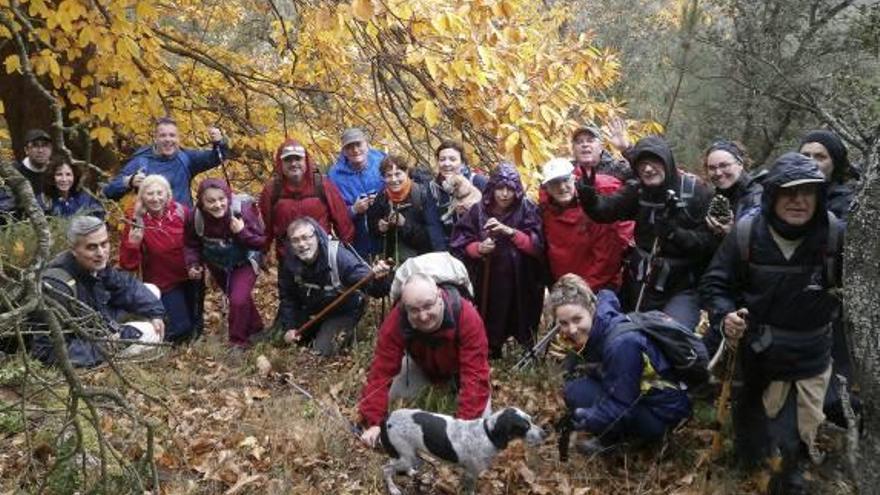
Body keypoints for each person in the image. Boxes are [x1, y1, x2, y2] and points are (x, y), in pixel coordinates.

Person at [700, 153, 843, 494]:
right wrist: (725, 317)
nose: (798, 200)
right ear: (773, 195)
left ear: (819, 196)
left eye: (808, 192)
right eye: (789, 192)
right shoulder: (747, 233)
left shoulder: (836, 236)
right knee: (751, 450)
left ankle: (791, 471)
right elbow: (714, 285)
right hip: (754, 357)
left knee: (788, 453)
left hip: (808, 359)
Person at [576, 135, 715, 331]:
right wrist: (588, 195)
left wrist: (674, 234)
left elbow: (710, 244)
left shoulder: (697, 193)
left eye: (654, 162)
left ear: (666, 161)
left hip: (681, 287)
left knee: (671, 335)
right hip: (640, 282)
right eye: (642, 165)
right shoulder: (637, 191)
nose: (648, 169)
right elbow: (605, 211)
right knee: (626, 333)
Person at [548, 274, 691, 455]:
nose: (572, 330)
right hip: (645, 395)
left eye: (577, 319)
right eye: (564, 323)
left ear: (591, 309)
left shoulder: (621, 344)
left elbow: (621, 407)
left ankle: (627, 441)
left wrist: (582, 418)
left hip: (662, 413)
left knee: (576, 394)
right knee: (577, 388)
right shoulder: (604, 317)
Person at [358, 273, 491, 448]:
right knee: (392, 399)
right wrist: (374, 423)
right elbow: (380, 372)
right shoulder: (396, 320)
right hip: (422, 367)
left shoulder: (466, 316)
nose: (423, 316)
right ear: (405, 307)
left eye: (428, 306)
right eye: (414, 310)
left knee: (480, 429)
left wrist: (460, 430)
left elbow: (475, 377)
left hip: (459, 372)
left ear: (439, 297)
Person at [32, 216, 166, 367]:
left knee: (152, 291)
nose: (101, 253)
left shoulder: (95, 265)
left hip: (98, 322)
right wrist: (104, 347)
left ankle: (126, 341)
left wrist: (156, 313)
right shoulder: (58, 286)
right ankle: (110, 362)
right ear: (74, 250)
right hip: (84, 342)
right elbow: (45, 351)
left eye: (104, 244)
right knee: (150, 333)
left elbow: (126, 285)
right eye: (91, 247)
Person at [450, 163, 545, 358]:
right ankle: (490, 346)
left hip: (520, 278)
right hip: (487, 278)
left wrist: (511, 233)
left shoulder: (527, 209)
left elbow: (536, 246)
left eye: (510, 189)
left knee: (520, 314)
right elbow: (461, 242)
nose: (504, 194)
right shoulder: (478, 211)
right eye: (500, 188)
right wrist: (478, 248)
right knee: (491, 314)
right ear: (492, 188)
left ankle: (523, 347)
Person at [277, 218, 391, 355]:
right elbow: (288, 297)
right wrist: (290, 327)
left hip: (344, 310)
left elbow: (375, 289)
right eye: (295, 240)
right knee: (281, 337)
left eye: (306, 238)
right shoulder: (289, 263)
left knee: (321, 351)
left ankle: (347, 332)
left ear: (317, 237)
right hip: (312, 309)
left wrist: (379, 279)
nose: (302, 244)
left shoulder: (340, 257)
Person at [184, 179, 265, 350]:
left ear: (228, 197)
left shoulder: (242, 211)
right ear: (202, 202)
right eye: (210, 201)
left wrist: (242, 232)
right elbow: (192, 244)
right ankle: (257, 329)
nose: (217, 205)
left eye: (221, 199)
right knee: (238, 298)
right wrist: (193, 263)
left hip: (245, 261)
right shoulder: (195, 217)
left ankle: (238, 342)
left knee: (237, 299)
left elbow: (261, 243)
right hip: (217, 265)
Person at [119, 175, 201, 342]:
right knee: (181, 328)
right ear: (142, 197)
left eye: (159, 193)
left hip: (190, 276)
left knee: (196, 325)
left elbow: (196, 242)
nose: (155, 198)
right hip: (164, 283)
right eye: (149, 194)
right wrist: (133, 244)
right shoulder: (136, 221)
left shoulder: (181, 211)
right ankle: (155, 339)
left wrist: (198, 264)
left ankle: (191, 337)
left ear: (167, 194)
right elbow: (127, 264)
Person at [539, 157, 633, 290]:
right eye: (555, 183)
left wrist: (585, 289)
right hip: (563, 289)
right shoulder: (544, 213)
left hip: (597, 288)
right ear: (547, 188)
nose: (561, 187)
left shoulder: (592, 209)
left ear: (574, 180)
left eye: (565, 180)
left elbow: (606, 257)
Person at [259, 139, 354, 261]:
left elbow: (342, 221)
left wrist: (347, 251)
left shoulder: (323, 185)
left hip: (323, 256)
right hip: (288, 258)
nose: (293, 164)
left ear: (306, 161)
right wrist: (263, 251)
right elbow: (265, 227)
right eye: (288, 160)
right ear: (280, 163)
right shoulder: (271, 190)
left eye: (298, 159)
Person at [103, 118, 228, 208]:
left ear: (178, 138)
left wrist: (219, 142)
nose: (168, 139)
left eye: (172, 135)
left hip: (184, 228)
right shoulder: (142, 161)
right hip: (153, 231)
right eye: (163, 136)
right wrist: (129, 181)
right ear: (155, 138)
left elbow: (216, 157)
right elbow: (109, 192)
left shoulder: (186, 158)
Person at [366, 154, 446, 264]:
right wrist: (379, 227)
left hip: (422, 261)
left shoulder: (423, 195)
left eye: (398, 174)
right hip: (392, 262)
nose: (394, 180)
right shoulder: (381, 198)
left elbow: (432, 236)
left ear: (406, 172)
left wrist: (404, 224)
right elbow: (372, 228)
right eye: (389, 175)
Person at [327, 127, 386, 259]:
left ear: (367, 144)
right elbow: (334, 213)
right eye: (349, 147)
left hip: (386, 235)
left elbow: (397, 190)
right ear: (343, 151)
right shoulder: (335, 176)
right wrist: (354, 209)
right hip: (356, 239)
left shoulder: (382, 160)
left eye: (358, 144)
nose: (355, 150)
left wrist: (380, 200)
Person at [427, 139, 488, 238]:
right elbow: (433, 224)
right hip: (448, 245)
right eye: (442, 159)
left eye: (452, 159)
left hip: (478, 243)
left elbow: (493, 214)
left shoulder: (478, 181)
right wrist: (441, 250)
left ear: (462, 162)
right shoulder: (433, 187)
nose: (447, 164)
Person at [703, 140, 763, 234]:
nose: (718, 173)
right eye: (712, 168)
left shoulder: (758, 199)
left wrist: (731, 234)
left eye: (724, 165)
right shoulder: (711, 198)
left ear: (740, 164)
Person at [799, 129, 858, 223]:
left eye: (820, 157)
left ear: (835, 163)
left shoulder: (844, 202)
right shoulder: (784, 192)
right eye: (805, 156)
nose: (811, 163)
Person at [1, 129, 54, 220]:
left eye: (45, 145)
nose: (40, 150)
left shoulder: (57, 173)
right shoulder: (13, 173)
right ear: (26, 150)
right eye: (35, 146)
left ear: (51, 149)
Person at [39, 157, 104, 219]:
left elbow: (99, 217)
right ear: (52, 177)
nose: (64, 179)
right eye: (59, 174)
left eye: (68, 174)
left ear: (74, 176)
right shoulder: (44, 200)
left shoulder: (85, 198)